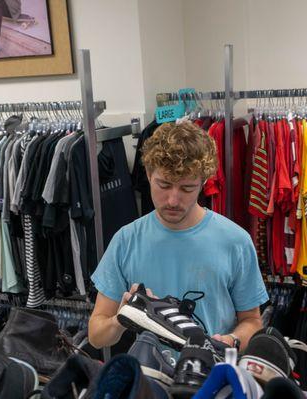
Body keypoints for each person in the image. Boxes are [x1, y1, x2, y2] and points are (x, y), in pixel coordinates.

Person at [88, 121, 269, 352]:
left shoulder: (236, 241)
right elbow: (96, 336)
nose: (173, 200)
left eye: (186, 188)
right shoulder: (126, 241)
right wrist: (120, 319)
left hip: (209, 379)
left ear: (203, 183)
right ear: (148, 174)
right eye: (164, 185)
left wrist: (231, 341)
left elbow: (252, 321)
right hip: (148, 382)